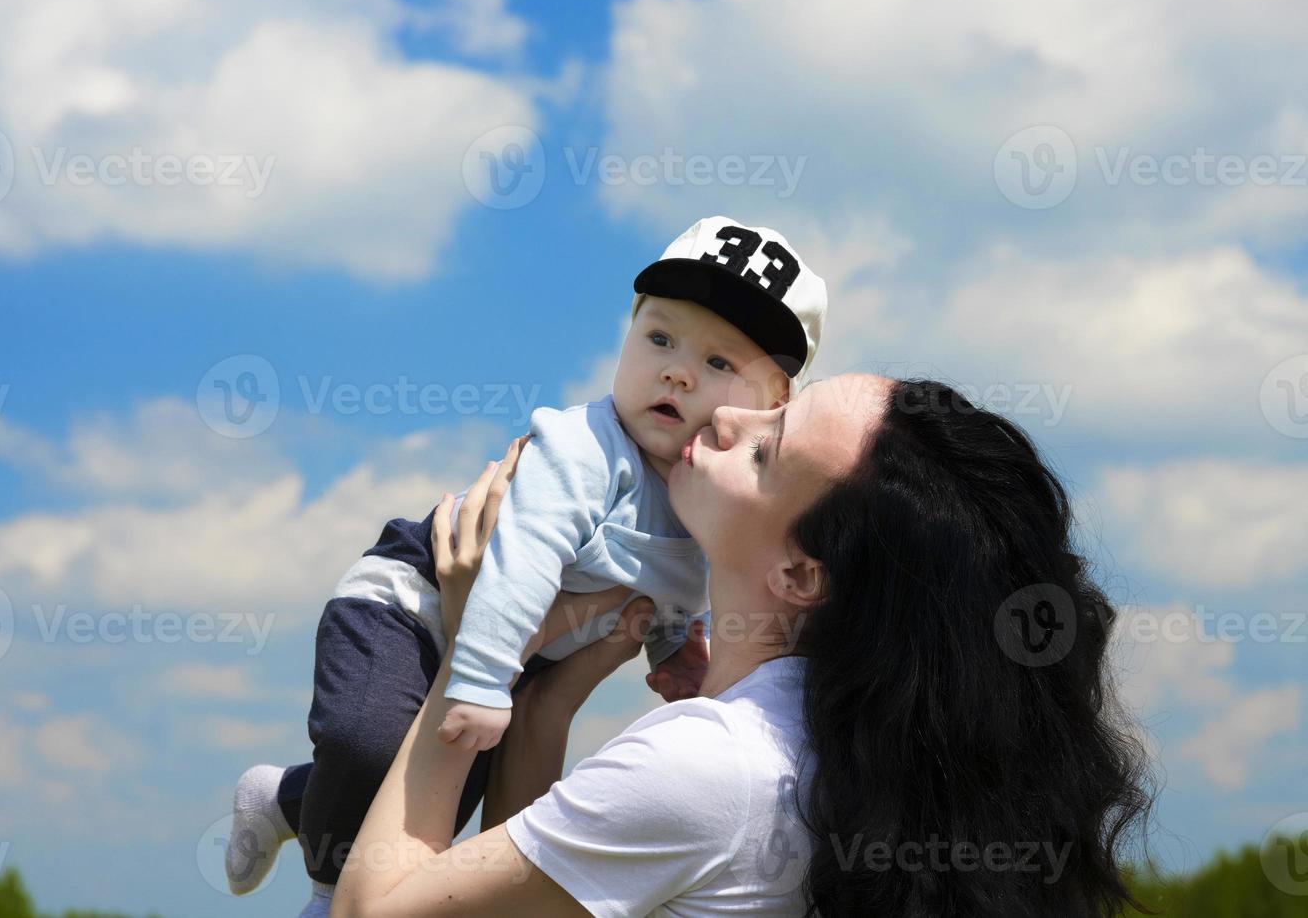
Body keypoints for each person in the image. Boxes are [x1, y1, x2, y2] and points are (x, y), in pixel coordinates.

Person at [328, 374, 1155, 918]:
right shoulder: (841, 760)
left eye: (766, 449)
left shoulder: (712, 766)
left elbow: (374, 912)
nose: (726, 413)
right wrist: (548, 703)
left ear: (800, 574)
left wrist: (478, 647)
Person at [223, 216, 831, 911]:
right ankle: (329, 891)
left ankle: (282, 798)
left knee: (441, 797)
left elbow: (673, 588)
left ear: (772, 405)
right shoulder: (584, 448)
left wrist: (675, 650)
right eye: (659, 338)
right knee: (370, 749)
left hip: (512, 650)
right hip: (411, 605)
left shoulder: (702, 502)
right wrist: (479, 680)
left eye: (719, 363)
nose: (677, 370)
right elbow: (524, 556)